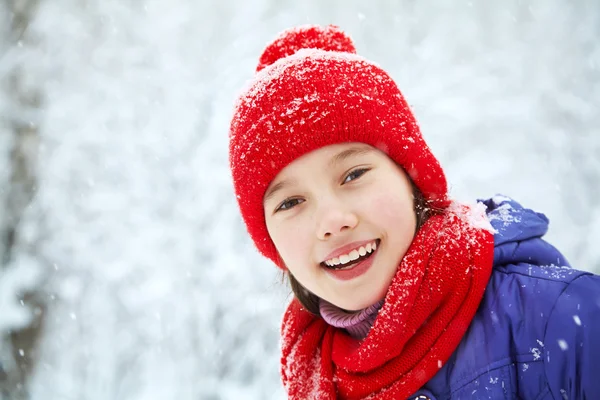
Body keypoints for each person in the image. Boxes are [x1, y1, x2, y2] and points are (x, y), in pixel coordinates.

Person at [228, 24, 600, 400]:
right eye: (290, 202)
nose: (331, 221)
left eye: (353, 175)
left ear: (411, 178)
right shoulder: (312, 374)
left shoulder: (563, 319)